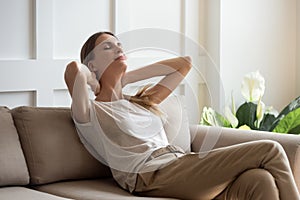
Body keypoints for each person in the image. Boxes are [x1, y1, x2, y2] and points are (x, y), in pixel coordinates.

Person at [64, 31, 300, 200]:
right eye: (108, 47)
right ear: (92, 65)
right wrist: (97, 82)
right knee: (271, 149)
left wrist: (125, 78)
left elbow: (184, 64)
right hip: (150, 175)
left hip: (178, 162)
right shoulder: (92, 112)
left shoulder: (141, 102)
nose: (118, 49)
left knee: (260, 180)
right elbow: (74, 70)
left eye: (120, 45)